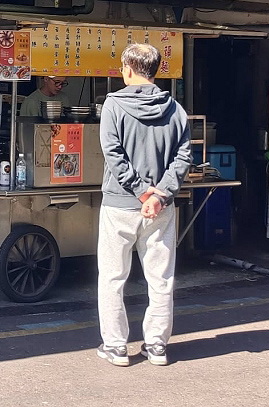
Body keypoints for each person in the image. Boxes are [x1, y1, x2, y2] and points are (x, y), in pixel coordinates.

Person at [96, 43, 192, 367]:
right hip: (160, 209)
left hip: (119, 206)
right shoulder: (175, 109)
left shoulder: (113, 105)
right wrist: (160, 195)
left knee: (112, 277)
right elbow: (183, 157)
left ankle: (116, 347)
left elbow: (113, 154)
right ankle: (157, 346)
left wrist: (140, 191)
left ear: (127, 69)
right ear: (156, 71)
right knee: (161, 279)